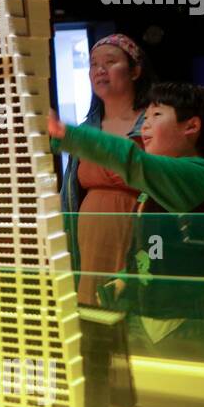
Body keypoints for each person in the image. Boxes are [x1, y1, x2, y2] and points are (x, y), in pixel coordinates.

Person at [49, 82, 204, 363]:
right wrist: (123, 280)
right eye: (144, 118)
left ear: (191, 126)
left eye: (156, 116)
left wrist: (66, 134)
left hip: (183, 325)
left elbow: (132, 161)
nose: (144, 126)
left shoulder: (199, 177)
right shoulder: (156, 188)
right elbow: (149, 250)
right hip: (143, 318)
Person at [60, 34, 152, 308]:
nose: (99, 70)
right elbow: (70, 194)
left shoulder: (153, 122)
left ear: (135, 70)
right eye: (93, 64)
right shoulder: (86, 129)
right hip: (88, 240)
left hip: (138, 233)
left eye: (110, 62)